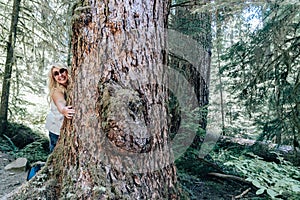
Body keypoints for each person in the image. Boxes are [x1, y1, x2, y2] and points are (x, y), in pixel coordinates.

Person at [45, 63, 75, 152]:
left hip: (65, 128)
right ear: (53, 77)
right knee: (55, 154)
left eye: (62, 71)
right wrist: (64, 110)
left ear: (67, 71)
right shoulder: (55, 90)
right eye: (56, 74)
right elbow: (60, 102)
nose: (60, 75)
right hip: (55, 128)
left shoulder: (73, 85)